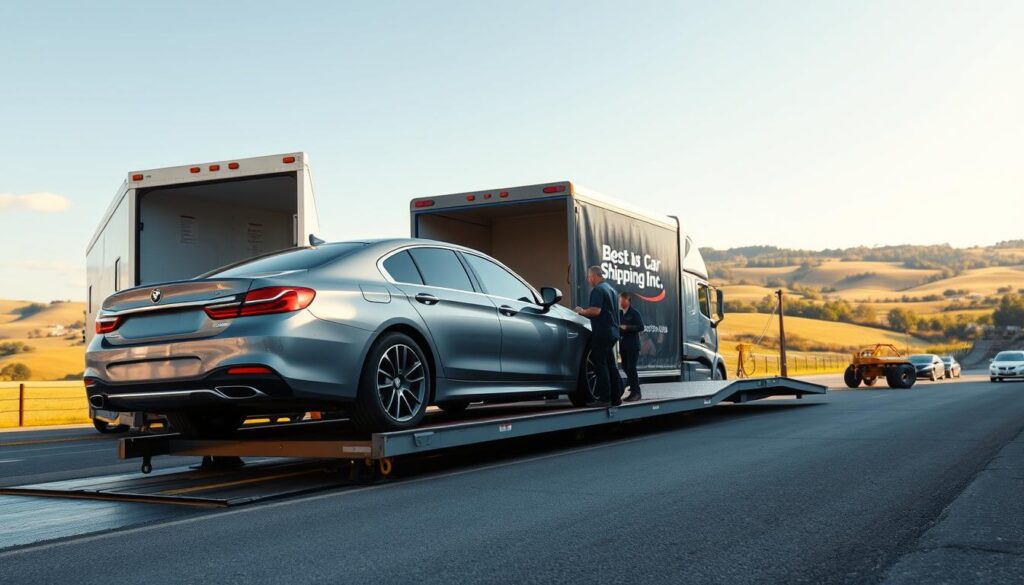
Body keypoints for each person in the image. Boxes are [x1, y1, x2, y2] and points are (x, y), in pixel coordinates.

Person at [574, 266, 622, 406]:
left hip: (602, 332)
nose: (588, 280)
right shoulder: (612, 290)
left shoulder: (598, 290)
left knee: (600, 364)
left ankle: (604, 398)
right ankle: (616, 398)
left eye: (589, 277)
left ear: (594, 276)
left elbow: (595, 311)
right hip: (613, 332)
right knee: (611, 365)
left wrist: (581, 311)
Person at [619, 292, 645, 402]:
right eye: (620, 300)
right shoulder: (620, 314)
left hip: (633, 345)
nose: (620, 302)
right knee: (625, 367)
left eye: (622, 300)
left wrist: (627, 327)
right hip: (623, 345)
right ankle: (633, 390)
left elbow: (641, 327)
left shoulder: (634, 313)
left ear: (628, 300)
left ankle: (636, 392)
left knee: (631, 368)